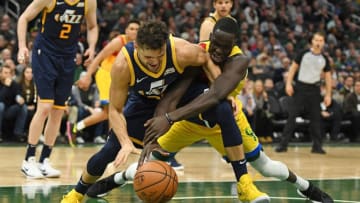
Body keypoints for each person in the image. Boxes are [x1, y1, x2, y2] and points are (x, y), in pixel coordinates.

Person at [88, 18, 334, 203]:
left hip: (222, 123)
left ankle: (305, 187)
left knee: (266, 166)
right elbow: (175, 93)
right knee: (151, 163)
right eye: (214, 43)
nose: (215, 50)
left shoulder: (239, 60)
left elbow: (216, 95)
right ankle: (114, 180)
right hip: (188, 120)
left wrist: (169, 117)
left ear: (234, 45)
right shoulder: (198, 52)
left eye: (222, 47)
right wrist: (161, 121)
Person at [61, 20, 269, 203]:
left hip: (178, 95)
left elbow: (205, 59)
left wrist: (226, 93)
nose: (155, 62)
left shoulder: (182, 50)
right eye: (148, 57)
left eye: (159, 56)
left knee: (223, 108)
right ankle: (76, 194)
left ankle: (244, 183)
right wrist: (125, 143)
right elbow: (115, 110)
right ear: (137, 48)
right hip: (144, 102)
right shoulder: (123, 65)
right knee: (109, 150)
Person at [17, 0, 98, 179]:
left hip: (68, 57)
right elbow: (24, 18)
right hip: (45, 54)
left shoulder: (88, 2)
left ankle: (44, 160)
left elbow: (92, 26)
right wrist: (22, 46)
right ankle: (28, 159)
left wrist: (91, 48)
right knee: (45, 107)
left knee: (57, 111)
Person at [74, 20, 140, 138]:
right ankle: (113, 138)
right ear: (126, 30)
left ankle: (76, 127)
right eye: (131, 28)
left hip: (119, 78)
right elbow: (99, 57)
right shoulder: (119, 41)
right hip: (106, 76)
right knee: (114, 110)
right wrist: (88, 75)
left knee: (108, 113)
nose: (134, 31)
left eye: (137, 29)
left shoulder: (139, 45)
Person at [275, 31, 332, 154]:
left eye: (321, 41)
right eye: (316, 40)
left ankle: (317, 146)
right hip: (300, 87)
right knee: (292, 116)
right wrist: (289, 84)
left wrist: (328, 95)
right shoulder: (303, 54)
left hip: (315, 89)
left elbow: (328, 78)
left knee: (316, 118)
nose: (318, 43)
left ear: (323, 43)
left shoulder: (325, 59)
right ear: (312, 41)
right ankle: (283, 145)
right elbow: (293, 69)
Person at [0, 65, 28, 142]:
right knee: (0, 105)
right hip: (1, 109)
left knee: (23, 107)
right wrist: (6, 86)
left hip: (9, 110)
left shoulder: (14, 84)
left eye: (9, 73)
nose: (8, 75)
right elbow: (1, 99)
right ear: (0, 74)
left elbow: (18, 94)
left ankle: (18, 134)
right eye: (5, 73)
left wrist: (20, 99)